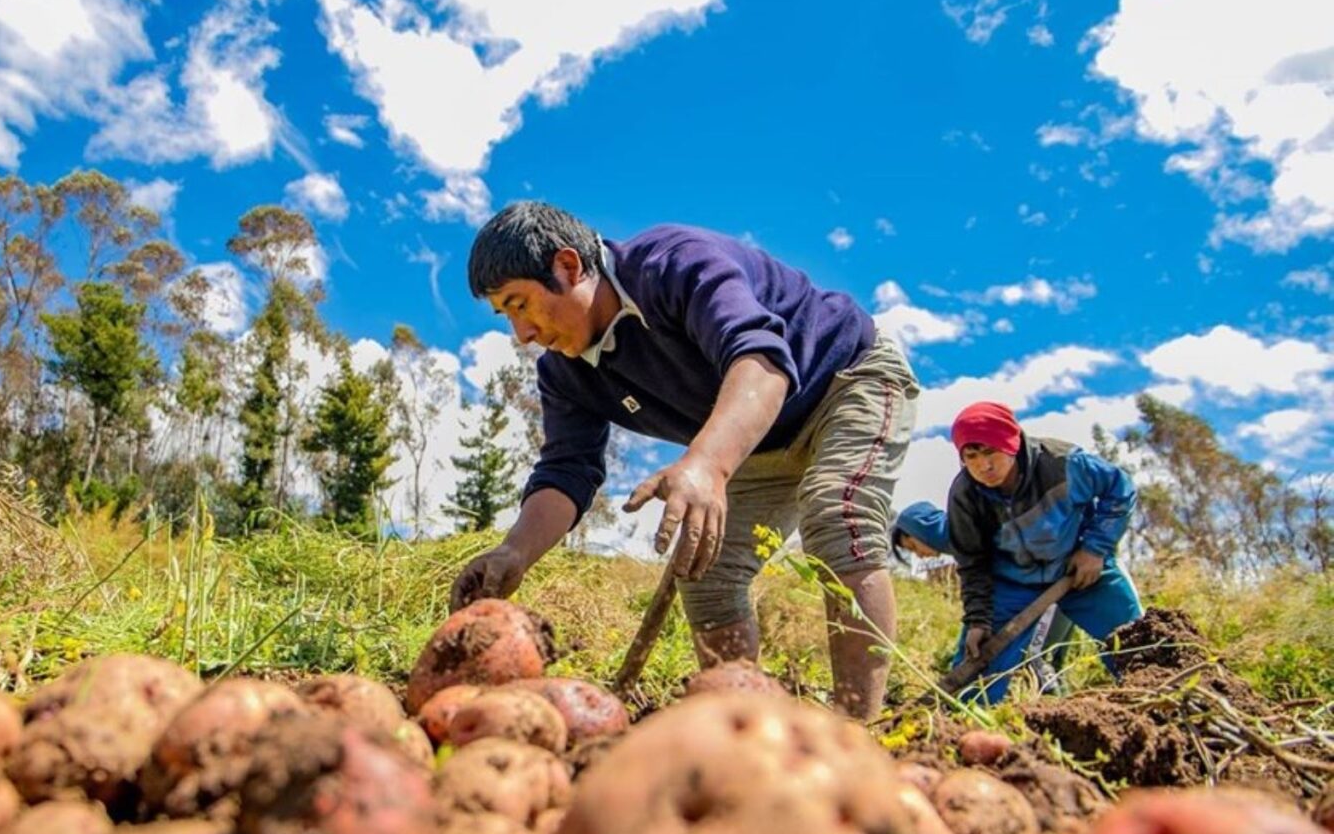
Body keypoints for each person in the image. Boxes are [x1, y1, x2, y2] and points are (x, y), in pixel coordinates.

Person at [448, 201, 920, 719]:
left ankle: (857, 729)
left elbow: (760, 360)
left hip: (844, 381)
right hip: (760, 442)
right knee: (706, 569)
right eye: (506, 316)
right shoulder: (565, 374)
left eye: (520, 304)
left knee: (837, 514)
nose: (523, 334)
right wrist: (514, 552)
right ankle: (739, 730)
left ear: (568, 266)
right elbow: (568, 470)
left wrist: (708, 466)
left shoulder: (674, 264)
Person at [944, 401, 1144, 703]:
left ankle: (1167, 701)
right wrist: (978, 619)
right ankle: (957, 734)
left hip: (1080, 570)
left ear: (1010, 444)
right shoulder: (966, 495)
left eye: (990, 452)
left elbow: (1120, 488)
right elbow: (973, 563)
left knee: (1137, 644)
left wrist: (1095, 549)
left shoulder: (1062, 463)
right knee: (976, 677)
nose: (983, 466)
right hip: (1013, 584)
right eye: (970, 457)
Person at [891, 500, 1076, 695]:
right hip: (1060, 580)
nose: (919, 556)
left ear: (921, 530)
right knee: (1047, 660)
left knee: (1036, 659)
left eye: (912, 546)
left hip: (1050, 586)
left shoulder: (966, 533)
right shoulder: (966, 534)